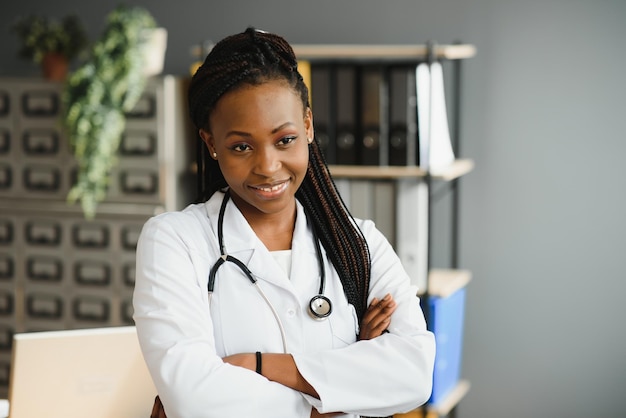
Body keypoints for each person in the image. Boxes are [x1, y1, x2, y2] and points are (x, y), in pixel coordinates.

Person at [133, 27, 435, 418]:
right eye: (241, 146)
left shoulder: (360, 244)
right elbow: (194, 398)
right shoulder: (174, 242)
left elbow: (414, 373)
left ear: (307, 125)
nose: (267, 166)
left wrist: (263, 365)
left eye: (285, 140)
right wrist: (337, 391)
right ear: (211, 143)